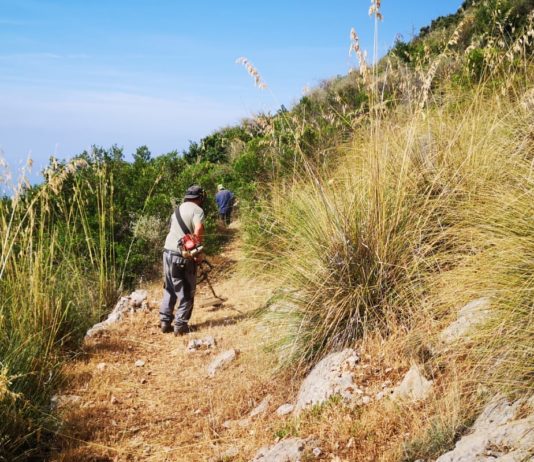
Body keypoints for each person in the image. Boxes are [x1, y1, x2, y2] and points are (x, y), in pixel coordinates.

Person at [159, 185, 205, 336]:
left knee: (169, 287)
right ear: (200, 197)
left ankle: (165, 321)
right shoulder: (197, 210)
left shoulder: (178, 209)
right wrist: (197, 251)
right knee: (187, 290)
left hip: (167, 252)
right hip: (182, 256)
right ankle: (180, 325)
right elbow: (198, 229)